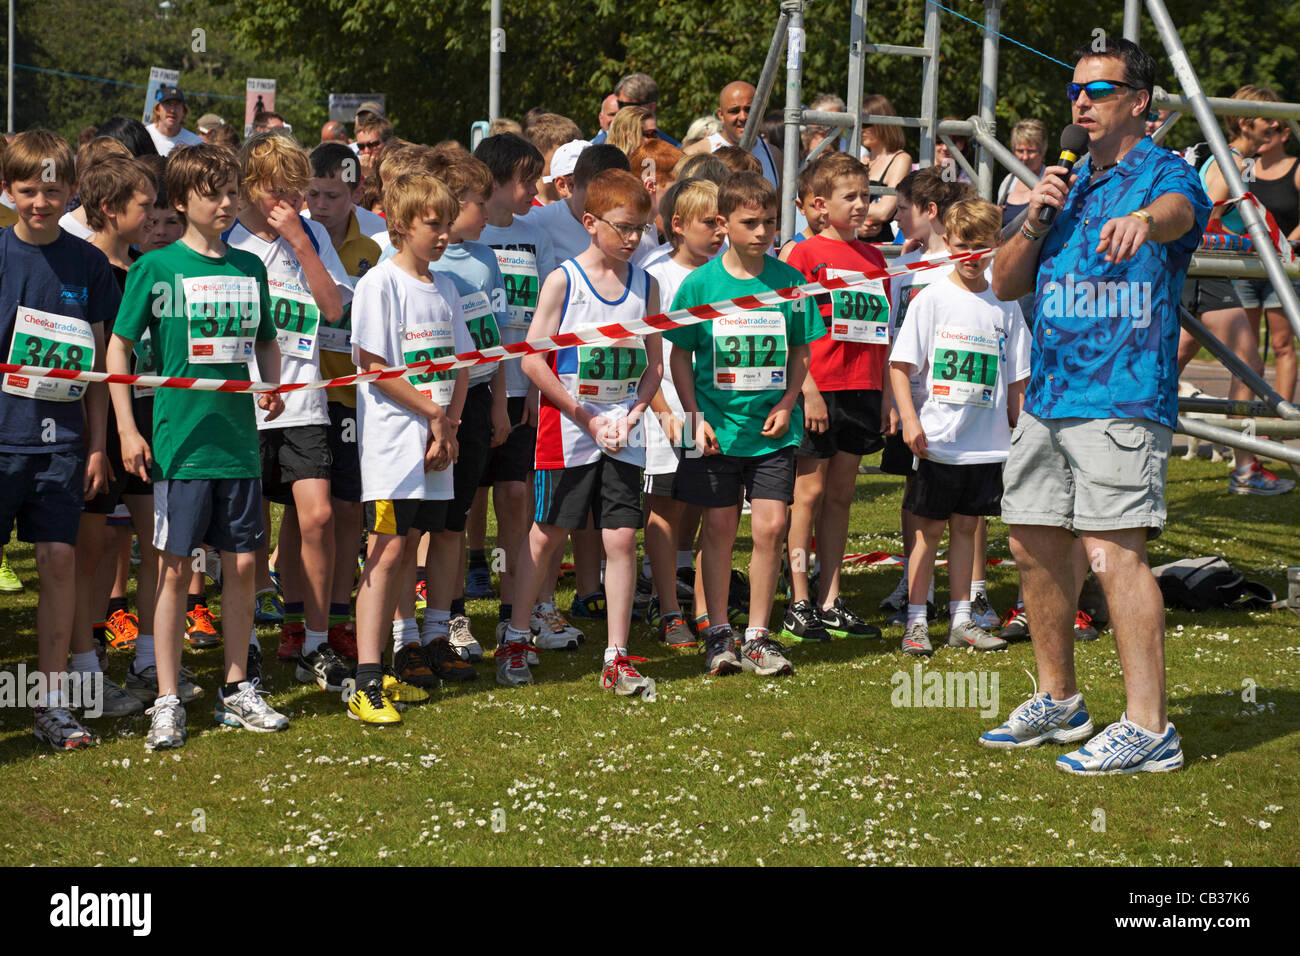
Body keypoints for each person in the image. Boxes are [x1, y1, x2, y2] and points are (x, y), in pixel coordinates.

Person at [985, 37, 1211, 775]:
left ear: (1138, 103)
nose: (1080, 102)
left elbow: (1181, 212)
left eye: (1100, 89)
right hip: (1050, 391)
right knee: (1031, 540)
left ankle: (1150, 727)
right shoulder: (1067, 179)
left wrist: (1146, 222)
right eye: (1076, 89)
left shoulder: (1164, 173)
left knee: (1115, 552)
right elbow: (1004, 282)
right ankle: (1060, 700)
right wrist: (1037, 216)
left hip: (1121, 393)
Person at [108, 143, 290, 750]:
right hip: (178, 447)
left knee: (242, 567)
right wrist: (128, 429)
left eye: (233, 191)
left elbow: (265, 339)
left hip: (238, 444)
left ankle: (237, 689)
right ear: (182, 200)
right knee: (174, 571)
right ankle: (165, 695)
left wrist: (271, 382)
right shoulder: (155, 269)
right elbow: (119, 347)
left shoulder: (250, 268)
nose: (227, 203)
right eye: (214, 193)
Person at [499, 169, 663, 696]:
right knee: (546, 535)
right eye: (623, 227)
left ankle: (616, 654)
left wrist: (635, 414)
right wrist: (584, 414)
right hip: (567, 430)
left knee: (619, 537)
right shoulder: (564, 280)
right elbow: (532, 360)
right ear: (591, 223)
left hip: (623, 431)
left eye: (640, 227)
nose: (633, 238)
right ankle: (517, 637)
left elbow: (654, 366)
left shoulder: (647, 284)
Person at [666, 172, 822, 676]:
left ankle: (758, 635)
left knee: (772, 526)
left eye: (770, 223)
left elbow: (801, 349)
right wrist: (694, 418)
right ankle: (717, 633)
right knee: (717, 527)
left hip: (772, 428)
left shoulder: (789, 282)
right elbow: (679, 359)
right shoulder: (699, 284)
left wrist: (790, 401)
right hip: (713, 429)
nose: (762, 232)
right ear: (722, 223)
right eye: (750, 223)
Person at [0, 129, 118, 750]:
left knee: (59, 561)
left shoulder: (89, 263)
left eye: (51, 190)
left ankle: (49, 702)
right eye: (27, 190)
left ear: (71, 190)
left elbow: (98, 368)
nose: (40, 202)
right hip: (2, 442)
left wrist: (97, 444)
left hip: (62, 446)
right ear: (8, 190)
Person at [225, 131, 352, 680]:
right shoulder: (227, 237)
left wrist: (300, 240)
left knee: (318, 517)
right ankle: (246, 639)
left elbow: (333, 310)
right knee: (245, 532)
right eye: (279, 191)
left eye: (297, 191)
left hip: (305, 398)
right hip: (242, 403)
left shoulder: (314, 233)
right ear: (251, 187)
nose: (291, 202)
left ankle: (314, 641)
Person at [348, 171, 467, 724]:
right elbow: (375, 369)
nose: (443, 234)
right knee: (388, 550)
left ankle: (390, 666)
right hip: (396, 448)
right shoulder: (380, 283)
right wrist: (434, 416)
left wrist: (450, 424)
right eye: (432, 224)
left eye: (447, 223)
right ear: (399, 225)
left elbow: (459, 365)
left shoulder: (444, 286)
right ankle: (366, 679)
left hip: (436, 443)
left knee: (417, 540)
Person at [889, 198, 1030, 655]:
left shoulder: (1004, 302)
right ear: (947, 242)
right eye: (963, 245)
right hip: (938, 442)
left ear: (996, 246)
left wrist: (1020, 430)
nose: (972, 256)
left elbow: (1017, 378)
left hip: (985, 446)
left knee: (968, 530)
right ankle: (915, 622)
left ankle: (962, 619)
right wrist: (910, 421)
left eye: (982, 247)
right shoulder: (932, 298)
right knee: (927, 534)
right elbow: (900, 365)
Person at [471, 133, 576, 650]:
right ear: (494, 180)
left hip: (523, 387)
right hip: (470, 388)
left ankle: (518, 613)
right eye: (526, 180)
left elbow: (546, 317)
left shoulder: (535, 233)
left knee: (517, 499)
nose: (534, 190)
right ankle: (450, 617)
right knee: (463, 503)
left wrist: (539, 383)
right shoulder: (463, 235)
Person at [782, 153, 888, 644]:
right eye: (853, 197)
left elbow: (882, 333)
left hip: (863, 388)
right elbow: (790, 332)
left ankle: (830, 597)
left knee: (842, 496)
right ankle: (798, 597)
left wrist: (886, 394)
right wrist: (808, 390)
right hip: (819, 389)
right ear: (820, 205)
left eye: (867, 196)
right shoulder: (802, 255)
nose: (863, 205)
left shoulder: (875, 257)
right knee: (809, 494)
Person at [299, 142, 383, 690]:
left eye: (333, 195)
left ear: (355, 193)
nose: (321, 205)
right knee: (305, 513)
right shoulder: (293, 232)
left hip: (353, 393)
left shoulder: (374, 239)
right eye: (313, 193)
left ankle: (335, 614)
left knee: (348, 507)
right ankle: (291, 616)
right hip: (300, 388)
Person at [1188, 84, 1293, 494]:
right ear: (1246, 121)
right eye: (1269, 117)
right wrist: (1238, 238)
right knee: (1247, 360)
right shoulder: (1230, 159)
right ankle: (1245, 469)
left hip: (1202, 274)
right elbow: (1206, 207)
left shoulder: (1237, 160)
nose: (1277, 124)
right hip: (1204, 274)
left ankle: (1243, 467)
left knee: (1171, 360)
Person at [878, 168, 972, 625]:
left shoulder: (962, 265)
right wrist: (894, 400)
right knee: (913, 496)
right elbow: (894, 335)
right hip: (908, 400)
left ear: (929, 211)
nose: (893, 218)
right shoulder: (902, 265)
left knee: (965, 505)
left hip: (952, 404)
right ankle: (916, 586)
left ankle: (971, 596)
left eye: (900, 209)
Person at [642, 179, 724, 647]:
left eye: (722, 222)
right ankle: (667, 606)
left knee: (705, 503)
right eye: (708, 222)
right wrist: (663, 413)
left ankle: (703, 606)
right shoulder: (657, 275)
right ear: (677, 225)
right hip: (670, 410)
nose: (719, 232)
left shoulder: (726, 273)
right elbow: (646, 355)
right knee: (666, 505)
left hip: (714, 410)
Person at [683, 81, 782, 190]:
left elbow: (779, 205)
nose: (743, 117)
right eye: (734, 111)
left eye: (749, 109)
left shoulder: (774, 155)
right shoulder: (695, 154)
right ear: (721, 115)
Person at [858, 94, 911, 243]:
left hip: (882, 246)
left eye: (866, 124)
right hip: (856, 241)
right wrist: (856, 224)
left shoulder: (901, 159)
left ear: (883, 123)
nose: (861, 130)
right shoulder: (864, 158)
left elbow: (884, 212)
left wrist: (849, 215)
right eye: (860, 124)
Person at [524, 114, 584, 206]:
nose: (574, 161)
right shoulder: (523, 206)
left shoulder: (581, 200)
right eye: (564, 152)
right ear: (538, 155)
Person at [997, 119, 1047, 228]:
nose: (1025, 157)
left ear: (1043, 150)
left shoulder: (1049, 182)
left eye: (1031, 151)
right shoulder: (1008, 182)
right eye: (1020, 151)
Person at [146, 87, 204, 157]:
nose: (172, 110)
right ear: (157, 109)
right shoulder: (145, 135)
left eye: (177, 105)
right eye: (167, 104)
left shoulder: (196, 144)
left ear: (184, 111)